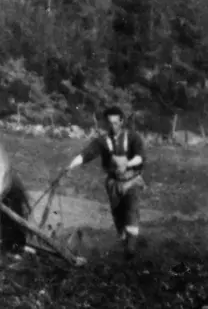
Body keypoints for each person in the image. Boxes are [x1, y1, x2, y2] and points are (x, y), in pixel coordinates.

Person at [58, 105, 147, 259]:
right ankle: (126, 243)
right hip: (113, 183)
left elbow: (140, 156)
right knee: (118, 216)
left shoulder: (133, 138)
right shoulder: (102, 141)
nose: (113, 126)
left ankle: (131, 250)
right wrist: (70, 166)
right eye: (110, 123)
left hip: (132, 180)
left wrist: (128, 163)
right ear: (106, 124)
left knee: (131, 211)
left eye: (116, 123)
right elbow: (86, 154)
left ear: (122, 121)